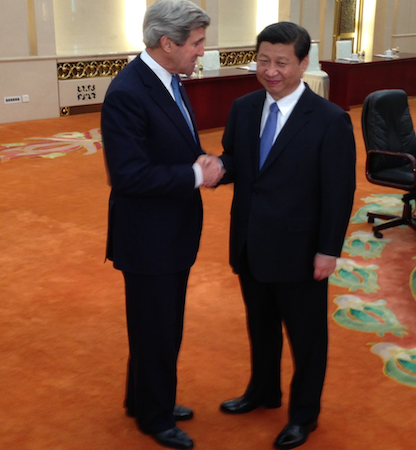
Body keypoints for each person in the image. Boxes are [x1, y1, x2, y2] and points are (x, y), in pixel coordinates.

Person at [216, 22, 356, 450]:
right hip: (251, 242)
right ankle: (263, 391)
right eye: (263, 60)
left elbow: (339, 192)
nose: (270, 71)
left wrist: (328, 250)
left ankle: (303, 415)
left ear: (303, 63)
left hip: (300, 250)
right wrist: (212, 169)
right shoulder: (242, 107)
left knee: (307, 338)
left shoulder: (330, 120)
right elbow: (237, 162)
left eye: (281, 62)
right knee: (260, 326)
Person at [100, 1, 221, 449]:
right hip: (148, 236)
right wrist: (196, 174)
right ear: (167, 43)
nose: (201, 52)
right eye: (196, 43)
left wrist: (202, 161)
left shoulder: (169, 79)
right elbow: (129, 175)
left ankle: (142, 398)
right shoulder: (128, 91)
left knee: (161, 323)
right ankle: (155, 417)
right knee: (156, 327)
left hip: (169, 229)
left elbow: (171, 142)